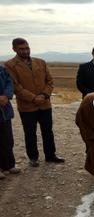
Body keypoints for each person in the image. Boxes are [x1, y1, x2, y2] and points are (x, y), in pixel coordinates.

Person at [5, 38, 64, 167]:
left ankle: (50, 155)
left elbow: (50, 81)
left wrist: (44, 95)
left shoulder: (41, 62)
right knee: (30, 132)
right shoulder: (9, 65)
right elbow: (16, 86)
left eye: (27, 48)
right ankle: (33, 157)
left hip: (45, 104)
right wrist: (33, 98)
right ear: (14, 49)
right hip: (27, 106)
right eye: (21, 49)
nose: (25, 51)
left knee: (48, 131)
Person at [0, 65, 20, 179]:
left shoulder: (2, 69)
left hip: (4, 110)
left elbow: (9, 83)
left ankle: (8, 164)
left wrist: (6, 96)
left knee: (7, 139)